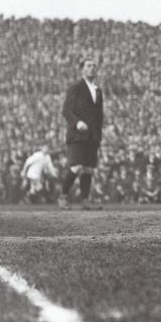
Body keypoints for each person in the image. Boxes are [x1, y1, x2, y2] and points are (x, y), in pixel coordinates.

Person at [59, 56, 105, 210]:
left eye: (94, 66)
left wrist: (98, 136)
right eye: (88, 66)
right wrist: (77, 122)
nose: (92, 68)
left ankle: (85, 200)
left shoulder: (98, 91)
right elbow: (67, 109)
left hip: (92, 137)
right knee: (76, 166)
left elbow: (99, 116)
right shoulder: (76, 87)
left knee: (88, 169)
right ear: (82, 69)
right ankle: (63, 196)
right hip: (77, 136)